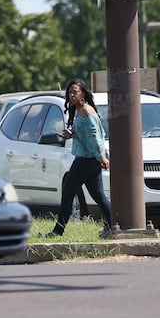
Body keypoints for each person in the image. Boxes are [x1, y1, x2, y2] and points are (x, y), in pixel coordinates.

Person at [44, 78, 112, 238]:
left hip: (86, 160)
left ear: (83, 93)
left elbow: (96, 136)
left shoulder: (86, 111)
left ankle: (57, 231)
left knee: (67, 194)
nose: (72, 95)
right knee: (99, 196)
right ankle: (114, 225)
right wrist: (71, 134)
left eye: (75, 91)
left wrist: (102, 156)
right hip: (89, 159)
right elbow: (84, 133)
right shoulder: (80, 110)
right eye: (70, 92)